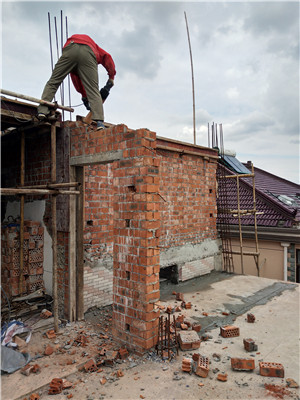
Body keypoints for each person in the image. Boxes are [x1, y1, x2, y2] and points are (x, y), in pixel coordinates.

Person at [37, 34, 116, 130]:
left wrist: (84, 95)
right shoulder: (96, 48)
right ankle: (99, 122)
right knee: (93, 90)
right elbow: (107, 57)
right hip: (88, 52)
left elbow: (77, 80)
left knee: (54, 82)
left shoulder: (74, 69)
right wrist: (111, 77)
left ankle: (42, 110)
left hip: (70, 48)